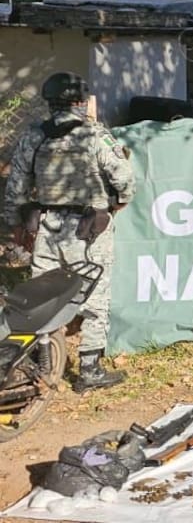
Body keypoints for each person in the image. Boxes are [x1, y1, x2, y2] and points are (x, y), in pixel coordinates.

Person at [5, 72, 136, 391]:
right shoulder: (95, 134)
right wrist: (117, 204)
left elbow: (16, 187)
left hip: (47, 228)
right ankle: (88, 371)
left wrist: (18, 223)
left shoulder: (33, 135)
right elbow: (124, 178)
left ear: (50, 102)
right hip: (88, 229)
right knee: (94, 296)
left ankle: (37, 362)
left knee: (39, 296)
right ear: (80, 101)